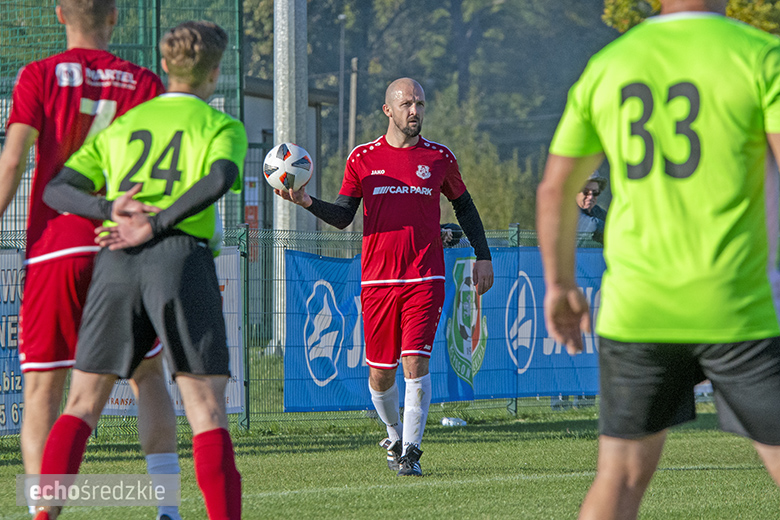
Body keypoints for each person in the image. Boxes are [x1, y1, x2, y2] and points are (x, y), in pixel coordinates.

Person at [536, 1, 780, 519]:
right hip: (739, 305)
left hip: (638, 309)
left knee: (620, 479)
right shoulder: (761, 56)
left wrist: (559, 286)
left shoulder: (611, 63)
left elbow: (557, 189)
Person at [33, 20, 245, 520]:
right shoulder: (219, 125)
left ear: (165, 66)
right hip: (178, 257)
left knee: (81, 402)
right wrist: (158, 222)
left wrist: (111, 211)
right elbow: (219, 177)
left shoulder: (127, 125)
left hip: (117, 261)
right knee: (206, 409)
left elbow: (56, 188)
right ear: (216, 72)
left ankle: (42, 517)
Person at [0, 2, 180, 518]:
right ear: (115, 16)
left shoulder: (38, 75)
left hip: (56, 245)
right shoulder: (143, 81)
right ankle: (167, 508)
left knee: (43, 389)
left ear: (60, 14)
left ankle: (44, 513)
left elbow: (13, 160)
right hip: (122, 245)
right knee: (147, 375)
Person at [276, 77, 494, 476]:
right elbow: (343, 217)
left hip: (425, 277)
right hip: (377, 281)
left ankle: (411, 452)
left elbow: (464, 207)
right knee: (380, 374)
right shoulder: (362, 158)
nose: (416, 111)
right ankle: (394, 433)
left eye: (421, 104)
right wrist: (306, 201)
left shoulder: (440, 158)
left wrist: (483, 256)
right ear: (388, 111)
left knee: (415, 363)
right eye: (408, 104)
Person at [576, 171, 607, 245]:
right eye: (585, 192)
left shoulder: (597, 211)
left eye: (595, 192)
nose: (590, 197)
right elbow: (592, 225)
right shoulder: (567, 211)